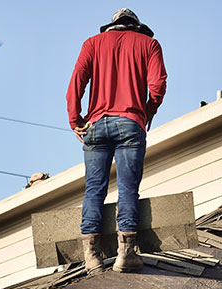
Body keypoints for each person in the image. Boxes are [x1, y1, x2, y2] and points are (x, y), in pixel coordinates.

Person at [67, 8, 167, 274]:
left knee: (94, 189)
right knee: (127, 188)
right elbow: (157, 86)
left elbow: (76, 81)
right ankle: (126, 254)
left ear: (111, 26)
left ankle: (91, 256)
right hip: (130, 123)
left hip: (96, 125)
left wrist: (75, 120)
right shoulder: (149, 44)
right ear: (136, 26)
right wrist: (146, 113)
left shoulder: (92, 43)